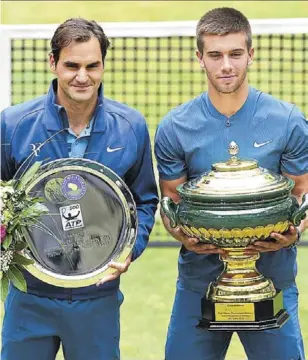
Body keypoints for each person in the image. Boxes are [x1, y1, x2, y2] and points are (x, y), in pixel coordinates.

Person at [155, 7, 307, 360]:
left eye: (236, 54)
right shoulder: (175, 126)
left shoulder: (287, 120)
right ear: (200, 58)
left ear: (251, 54)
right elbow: (171, 202)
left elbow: (301, 193)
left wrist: (294, 231)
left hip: (272, 279)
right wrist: (183, 235)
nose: (226, 66)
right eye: (216, 55)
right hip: (199, 284)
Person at [1, 18, 158, 360]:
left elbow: (144, 200)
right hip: (29, 297)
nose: (82, 76)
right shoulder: (13, 124)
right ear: (53, 62)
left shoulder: (131, 126)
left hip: (96, 297)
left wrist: (130, 248)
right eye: (71, 65)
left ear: (103, 64)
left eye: (92, 65)